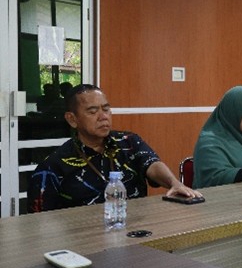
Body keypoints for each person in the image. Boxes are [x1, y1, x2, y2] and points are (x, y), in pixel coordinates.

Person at [29, 84, 200, 212]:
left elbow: (151, 163)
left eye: (106, 109)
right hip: (83, 240)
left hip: (136, 231)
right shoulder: (53, 166)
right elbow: (40, 222)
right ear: (72, 119)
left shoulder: (128, 142)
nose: (103, 116)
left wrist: (174, 183)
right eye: (92, 111)